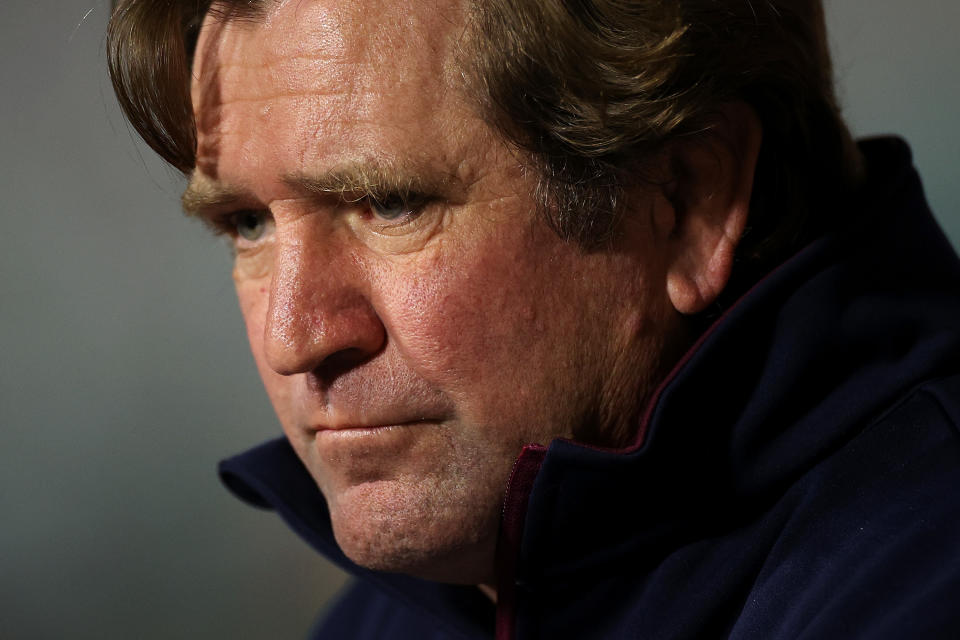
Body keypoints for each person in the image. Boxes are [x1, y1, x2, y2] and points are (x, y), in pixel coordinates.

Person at [107, 0, 960, 637]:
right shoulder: (392, 616)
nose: (294, 339)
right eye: (246, 225)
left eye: (390, 203)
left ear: (689, 200)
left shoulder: (923, 580)